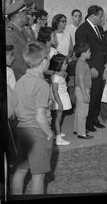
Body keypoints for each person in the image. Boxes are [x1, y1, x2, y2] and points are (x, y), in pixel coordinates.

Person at [12, 42, 53, 195]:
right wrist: (49, 133)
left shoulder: (20, 81)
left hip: (22, 131)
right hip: (37, 132)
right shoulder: (42, 84)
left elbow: (15, 109)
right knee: (38, 175)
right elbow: (40, 117)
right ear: (44, 61)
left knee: (21, 170)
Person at [75, 5, 107, 132]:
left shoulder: (100, 28)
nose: (101, 19)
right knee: (91, 96)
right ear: (93, 15)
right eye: (100, 16)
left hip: (101, 67)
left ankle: (94, 118)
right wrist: (90, 68)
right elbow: (82, 52)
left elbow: (104, 47)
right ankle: (87, 122)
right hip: (91, 69)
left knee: (98, 95)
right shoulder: (82, 30)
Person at [49, 54, 72, 145]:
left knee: (58, 118)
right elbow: (54, 92)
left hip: (62, 96)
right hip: (59, 99)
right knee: (57, 119)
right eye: (65, 64)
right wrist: (60, 103)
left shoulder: (59, 74)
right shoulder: (55, 77)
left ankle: (56, 132)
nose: (67, 65)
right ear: (59, 65)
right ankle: (58, 138)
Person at [5, 0, 30, 80]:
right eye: (26, 13)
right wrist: (31, 73)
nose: (28, 16)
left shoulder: (23, 31)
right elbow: (15, 60)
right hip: (18, 77)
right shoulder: (9, 33)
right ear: (18, 15)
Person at [73, 43, 93, 139]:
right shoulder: (81, 63)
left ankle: (77, 129)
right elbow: (80, 79)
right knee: (83, 112)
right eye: (88, 51)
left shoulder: (81, 62)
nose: (90, 53)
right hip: (83, 89)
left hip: (80, 89)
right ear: (83, 53)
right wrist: (85, 94)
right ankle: (81, 133)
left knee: (78, 110)